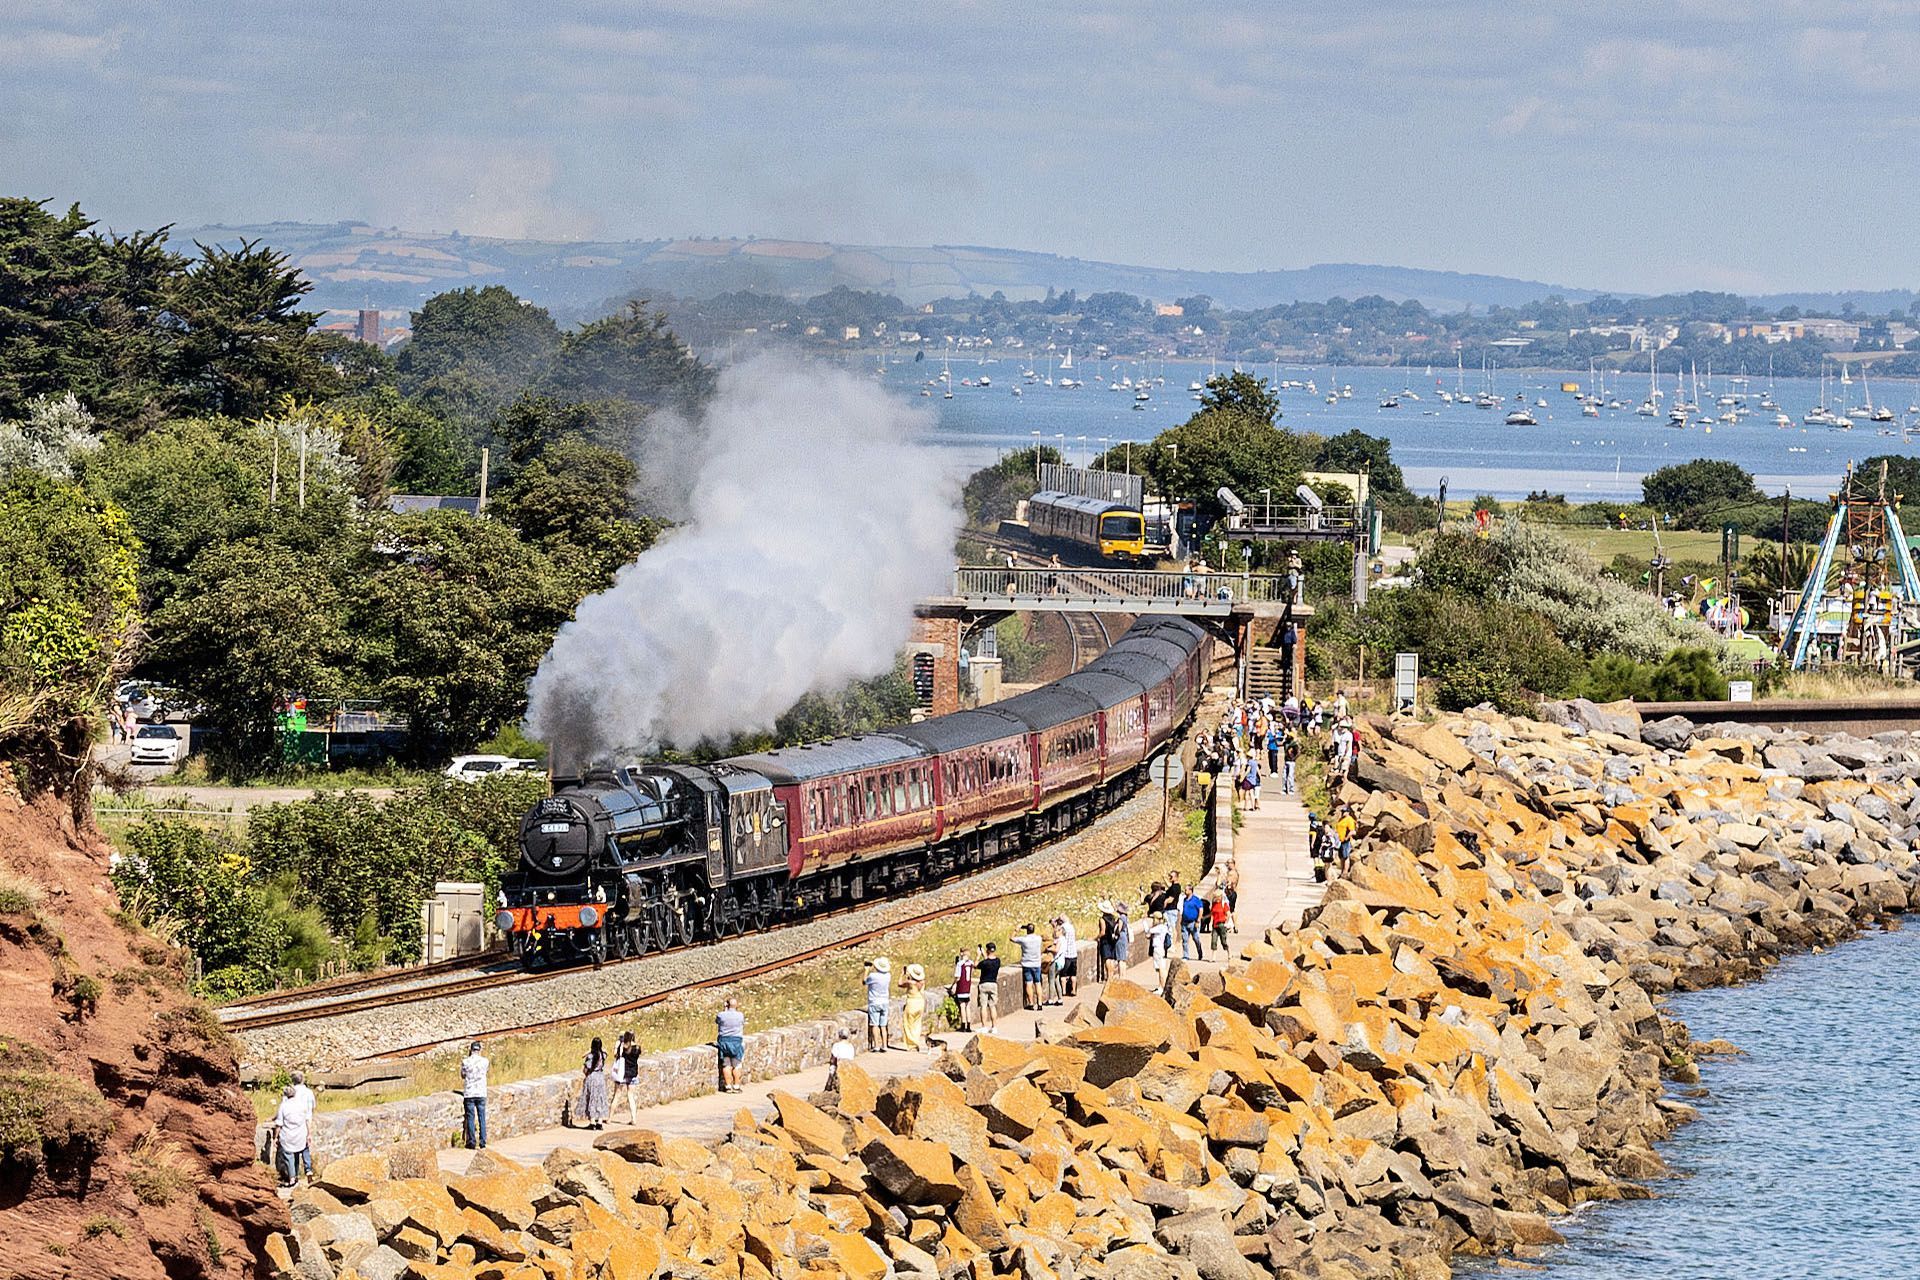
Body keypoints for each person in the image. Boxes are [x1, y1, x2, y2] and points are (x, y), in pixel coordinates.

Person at [269, 1085, 310, 1187]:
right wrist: (309, 1133)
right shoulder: (302, 1104)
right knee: (297, 1155)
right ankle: (300, 1174)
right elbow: (307, 1120)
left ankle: (292, 1178)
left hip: (288, 1135)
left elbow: (279, 1124)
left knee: (289, 1156)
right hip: (300, 1133)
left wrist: (275, 1137)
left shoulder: (283, 1106)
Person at [459, 1041, 489, 1150]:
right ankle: (483, 1141)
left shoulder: (465, 1061)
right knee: (482, 1117)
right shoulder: (485, 1061)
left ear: (470, 1050)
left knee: (470, 1117)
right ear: (479, 1050)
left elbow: (462, 1075)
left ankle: (471, 1141)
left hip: (469, 1093)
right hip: (481, 1092)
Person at [609, 1030, 642, 1123]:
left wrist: (617, 1046)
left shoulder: (622, 1048)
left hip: (621, 1074)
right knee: (631, 1097)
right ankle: (634, 1119)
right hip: (632, 1074)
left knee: (616, 1095)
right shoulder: (637, 1048)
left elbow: (615, 1055)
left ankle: (610, 1118)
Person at [578, 1037, 611, 1128]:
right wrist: (600, 1049)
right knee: (600, 1098)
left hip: (592, 1077)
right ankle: (599, 1122)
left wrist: (590, 1050)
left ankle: (592, 1122)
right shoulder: (602, 1055)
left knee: (591, 1098)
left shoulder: (591, 1056)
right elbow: (606, 1052)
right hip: (600, 1077)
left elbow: (583, 1061)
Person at [715, 998, 746, 1091]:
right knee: (736, 1064)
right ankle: (736, 1085)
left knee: (726, 1064)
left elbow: (717, 1021)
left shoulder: (721, 1015)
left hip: (724, 1041)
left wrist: (725, 1010)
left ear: (726, 1005)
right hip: (736, 1041)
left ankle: (728, 1086)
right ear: (736, 1005)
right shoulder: (740, 1015)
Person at [863, 957, 892, 1051]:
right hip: (885, 1002)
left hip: (874, 1001)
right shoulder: (888, 976)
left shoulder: (873, 976)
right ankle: (885, 1045)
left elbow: (864, 982)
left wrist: (866, 970)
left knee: (875, 1024)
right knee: (883, 1025)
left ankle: (876, 1045)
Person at [1013, 925, 1044, 1009]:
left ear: (1027, 930)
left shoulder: (1024, 939)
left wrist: (1016, 930)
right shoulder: (1038, 939)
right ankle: (1040, 1003)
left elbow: (1012, 938)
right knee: (1038, 983)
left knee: (1029, 983)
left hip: (1027, 964)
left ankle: (1031, 1004)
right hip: (1037, 964)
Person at [901, 963, 929, 1051]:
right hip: (920, 1002)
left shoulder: (910, 983)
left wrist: (902, 974)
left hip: (912, 1003)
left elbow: (900, 983)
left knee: (908, 1024)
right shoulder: (922, 982)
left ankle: (911, 1044)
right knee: (917, 1023)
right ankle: (916, 1041)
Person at [976, 943, 1000, 1029]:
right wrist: (984, 954)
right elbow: (989, 961)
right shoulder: (998, 961)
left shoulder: (984, 963)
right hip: (993, 984)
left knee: (983, 1006)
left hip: (984, 984)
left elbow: (975, 965)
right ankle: (994, 1027)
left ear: (987, 950)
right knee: (992, 1006)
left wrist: (978, 955)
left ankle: (984, 1026)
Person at [1180, 887, 1206, 960]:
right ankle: (1186, 955)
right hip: (1184, 922)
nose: (1185, 891)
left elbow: (1201, 910)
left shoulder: (1196, 900)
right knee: (1185, 940)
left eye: (1186, 890)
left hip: (1193, 922)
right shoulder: (1184, 900)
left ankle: (1200, 952)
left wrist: (1198, 920)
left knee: (1196, 938)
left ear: (1191, 891)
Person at [951, 950, 974, 1031]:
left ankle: (963, 1025)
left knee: (962, 1006)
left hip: (961, 987)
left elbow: (958, 977)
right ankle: (969, 1025)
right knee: (968, 1006)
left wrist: (952, 985)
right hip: (968, 987)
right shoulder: (971, 963)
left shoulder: (960, 964)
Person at [1147, 911, 1170, 983]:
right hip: (1161, 949)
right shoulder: (1164, 927)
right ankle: (1162, 985)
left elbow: (1148, 931)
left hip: (1158, 949)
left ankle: (1162, 986)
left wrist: (1144, 922)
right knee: (1161, 968)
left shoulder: (1159, 927)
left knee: (1161, 968)